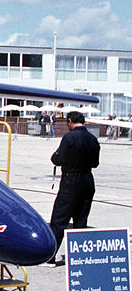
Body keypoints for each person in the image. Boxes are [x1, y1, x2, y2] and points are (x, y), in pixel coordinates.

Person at [46, 111, 100, 266]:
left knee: (59, 219)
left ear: (70, 121)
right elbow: (95, 163)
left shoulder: (69, 137)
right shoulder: (93, 139)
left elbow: (58, 159)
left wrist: (56, 157)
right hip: (87, 179)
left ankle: (50, 257)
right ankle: (78, 257)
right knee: (81, 220)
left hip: (71, 179)